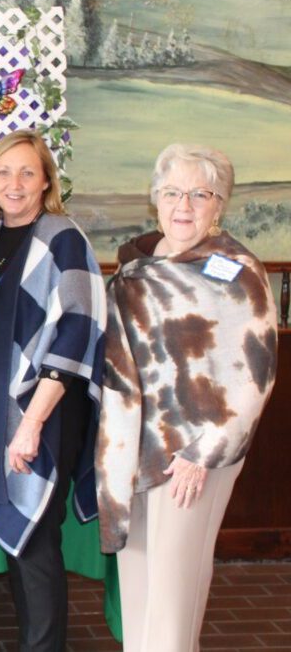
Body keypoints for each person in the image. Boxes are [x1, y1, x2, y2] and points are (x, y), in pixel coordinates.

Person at [96, 144, 278, 652]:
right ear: (155, 199)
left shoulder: (236, 271)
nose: (184, 205)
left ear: (219, 205)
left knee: (174, 594)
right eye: (173, 192)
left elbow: (256, 372)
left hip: (194, 455)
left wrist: (205, 450)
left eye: (201, 194)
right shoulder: (137, 266)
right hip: (134, 449)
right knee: (139, 587)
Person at [0, 129, 107, 652]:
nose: (15, 183)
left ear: (46, 180)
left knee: (34, 541)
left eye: (27, 171)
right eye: (4, 172)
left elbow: (80, 328)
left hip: (43, 411)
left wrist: (31, 424)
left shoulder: (62, 237)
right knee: (20, 539)